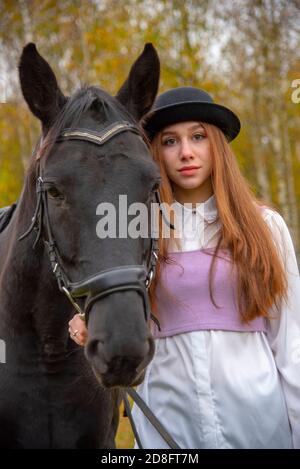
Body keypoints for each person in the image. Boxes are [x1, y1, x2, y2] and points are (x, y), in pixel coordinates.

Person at [69, 87, 300, 449]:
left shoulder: (264, 227)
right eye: (170, 141)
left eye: (197, 137)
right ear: (154, 152)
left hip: (258, 425)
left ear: (217, 147)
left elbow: (291, 343)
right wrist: (88, 321)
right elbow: (118, 314)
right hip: (168, 428)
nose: (186, 152)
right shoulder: (135, 230)